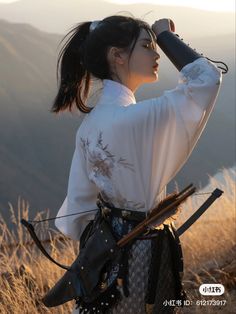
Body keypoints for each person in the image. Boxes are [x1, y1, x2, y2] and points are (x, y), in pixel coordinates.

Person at [53, 15, 222, 314]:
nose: (156, 54)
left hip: (104, 251)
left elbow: (79, 207)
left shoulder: (91, 125)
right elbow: (206, 78)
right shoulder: (135, 118)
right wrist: (166, 35)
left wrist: (102, 247)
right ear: (116, 56)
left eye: (156, 46)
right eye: (148, 45)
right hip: (142, 253)